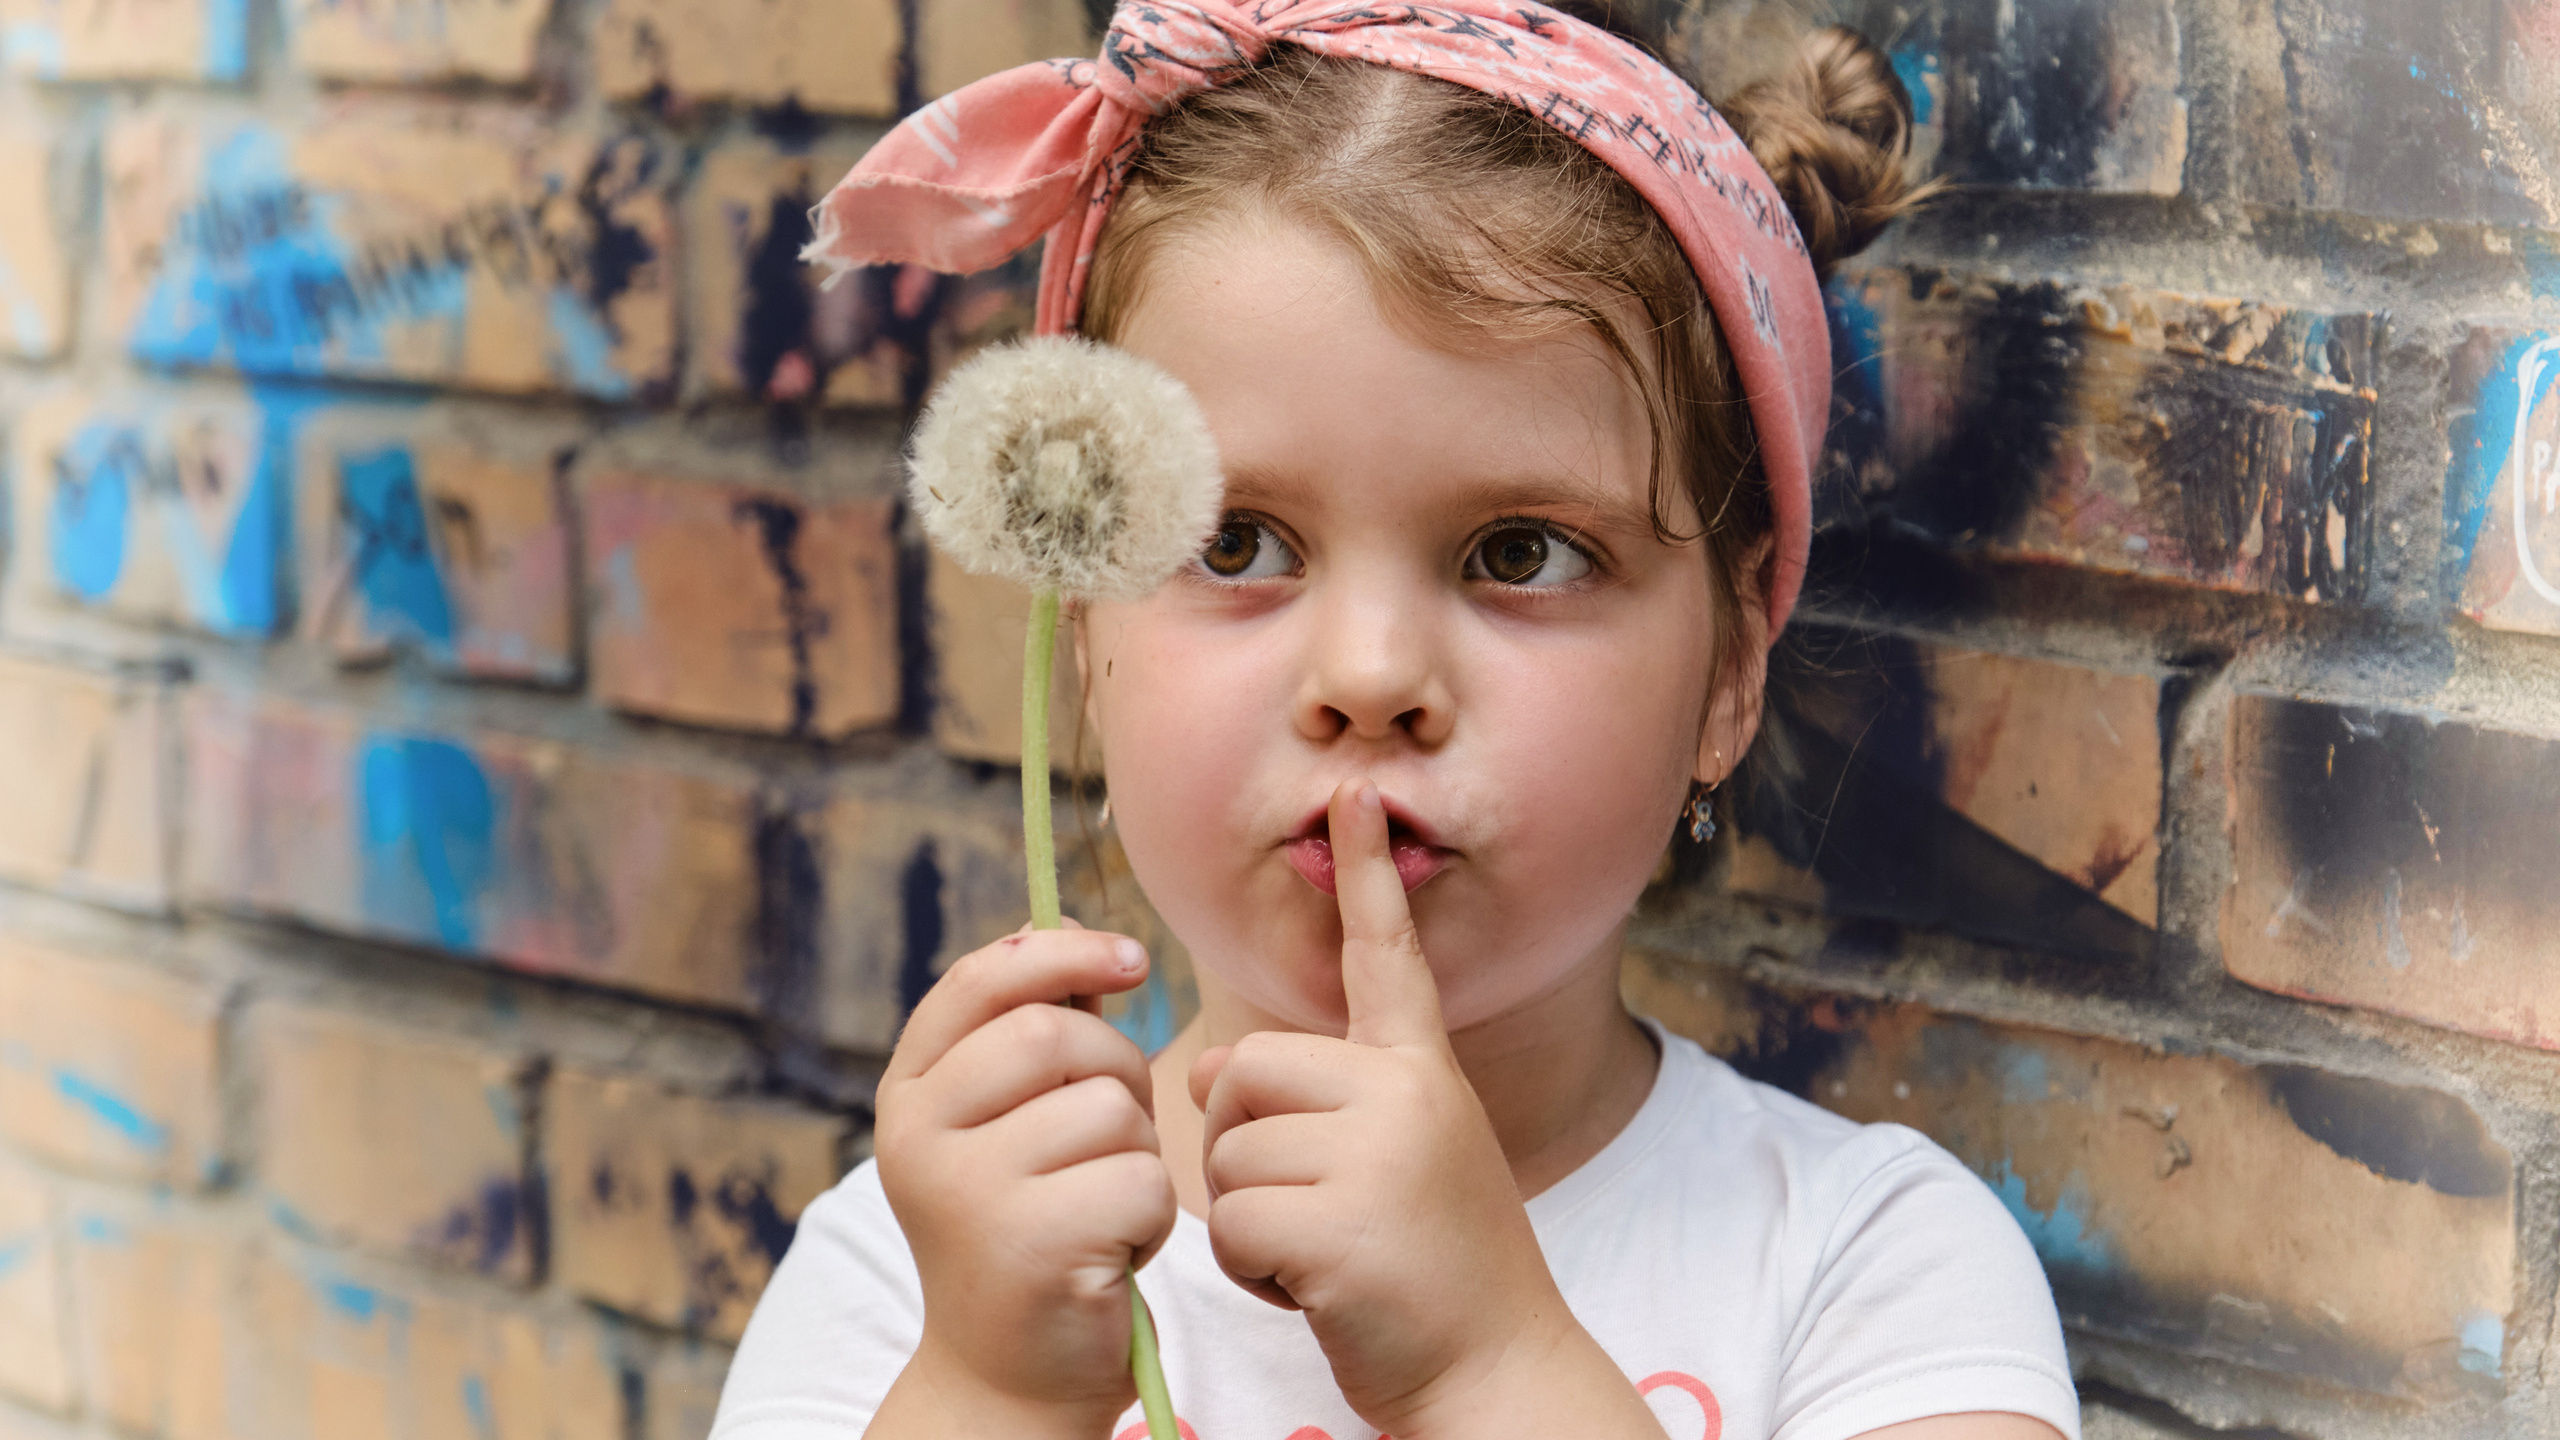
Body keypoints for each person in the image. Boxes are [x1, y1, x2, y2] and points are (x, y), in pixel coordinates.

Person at [716, 3, 2080, 1438]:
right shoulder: (905, 1284)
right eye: (1236, 544)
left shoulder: (1869, 1271)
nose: (1368, 676)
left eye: (1521, 554)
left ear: (1730, 673)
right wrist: (987, 1393)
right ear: (1090, 635)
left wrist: (1486, 1367)